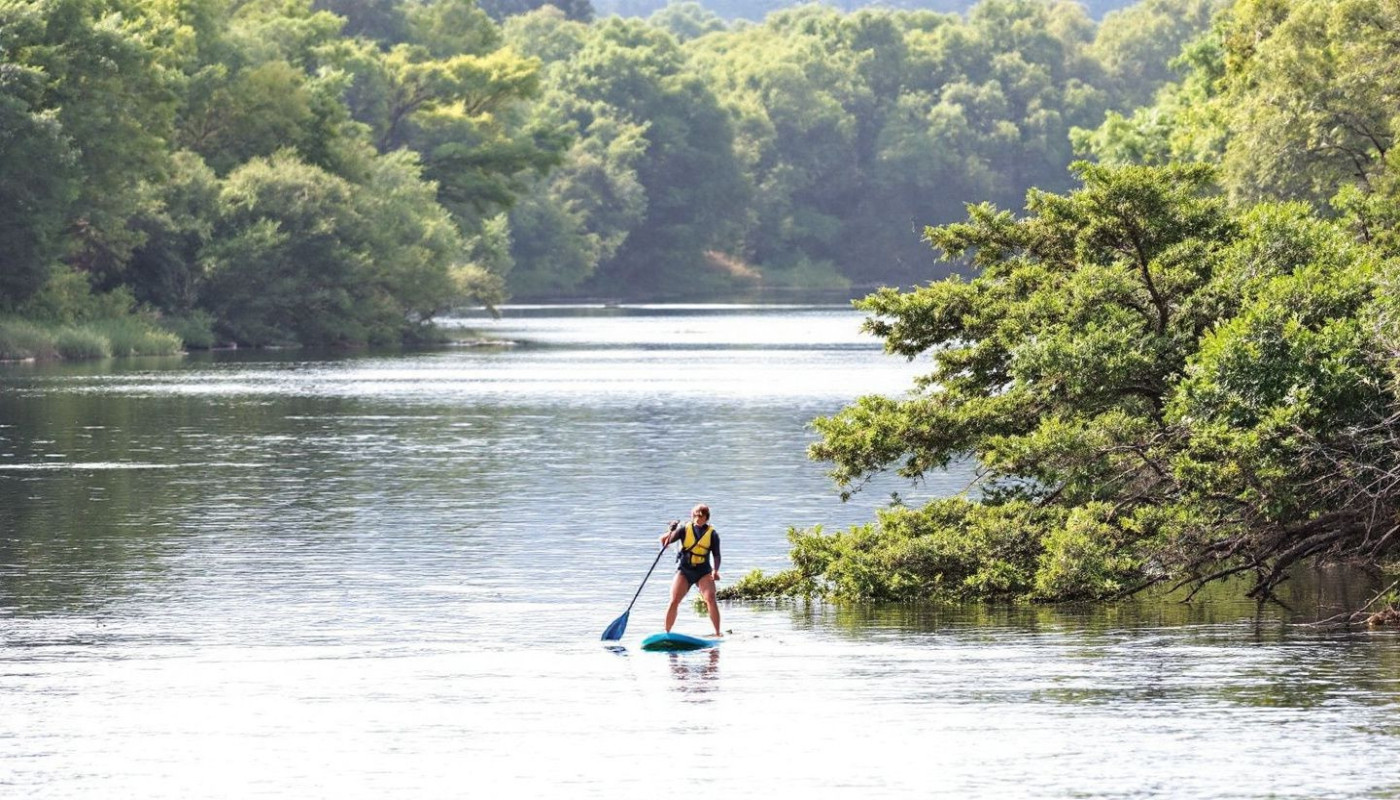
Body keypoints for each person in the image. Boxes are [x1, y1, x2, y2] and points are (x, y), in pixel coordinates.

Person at [658, 504, 722, 637]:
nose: (698, 519)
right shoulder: (684, 530)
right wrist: (670, 531)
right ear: (692, 516)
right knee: (674, 600)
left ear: (706, 518)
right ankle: (666, 633)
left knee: (710, 598)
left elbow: (716, 555)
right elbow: (666, 541)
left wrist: (715, 571)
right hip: (685, 570)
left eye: (701, 516)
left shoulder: (712, 534)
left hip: (703, 571)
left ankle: (717, 633)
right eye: (696, 516)